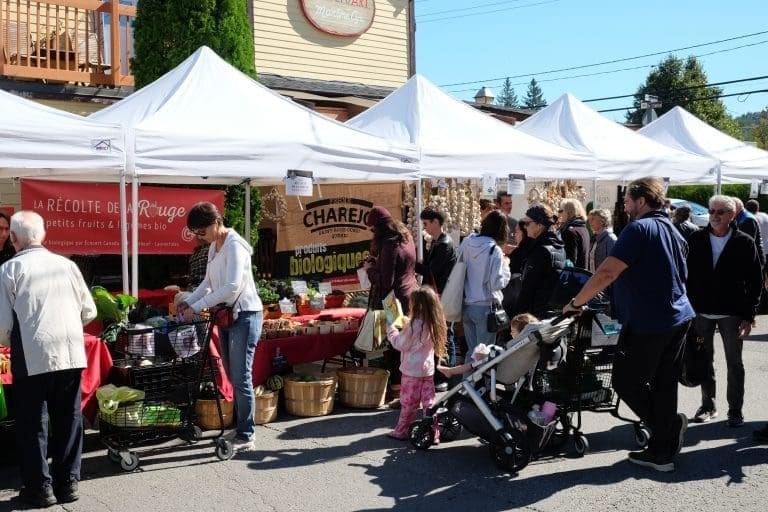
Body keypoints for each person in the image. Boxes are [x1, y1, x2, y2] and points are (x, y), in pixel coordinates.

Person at [563, 177, 694, 473]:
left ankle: (668, 430)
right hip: (677, 316)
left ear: (641, 201)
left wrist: (577, 302)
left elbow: (607, 271)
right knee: (663, 382)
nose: (625, 206)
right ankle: (662, 451)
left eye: (627, 201)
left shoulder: (639, 228)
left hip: (651, 320)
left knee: (626, 381)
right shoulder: (673, 229)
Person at [0, 211, 97, 507]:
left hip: (32, 353)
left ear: (14, 238)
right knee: (69, 418)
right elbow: (89, 311)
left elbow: (3, 326)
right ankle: (68, 483)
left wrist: (10, 342)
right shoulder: (67, 265)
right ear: (43, 235)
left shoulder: (9, 269)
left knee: (33, 422)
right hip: (69, 349)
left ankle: (40, 488)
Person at [178, 202, 263, 451]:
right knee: (232, 373)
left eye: (201, 232)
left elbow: (232, 287)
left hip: (245, 315)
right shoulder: (215, 247)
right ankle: (242, 427)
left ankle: (247, 435)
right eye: (196, 234)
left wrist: (198, 305)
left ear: (216, 222)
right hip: (227, 315)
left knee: (241, 376)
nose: (199, 238)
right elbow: (207, 282)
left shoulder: (235, 246)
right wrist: (187, 302)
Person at [686, 195, 762, 427]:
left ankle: (735, 411)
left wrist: (749, 316)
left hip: (732, 313)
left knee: (734, 363)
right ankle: (708, 405)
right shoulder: (696, 238)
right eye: (712, 211)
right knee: (703, 360)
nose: (715, 216)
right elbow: (685, 276)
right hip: (701, 312)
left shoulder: (744, 242)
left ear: (732, 215)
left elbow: (755, 281)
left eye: (720, 212)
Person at [363, 206, 418, 396]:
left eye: (372, 229)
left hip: (394, 302)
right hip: (411, 295)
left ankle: (397, 388)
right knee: (409, 341)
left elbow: (386, 282)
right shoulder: (406, 236)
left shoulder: (389, 244)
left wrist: (370, 268)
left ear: (378, 228)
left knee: (395, 344)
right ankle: (406, 387)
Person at [385, 286, 447, 440]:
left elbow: (400, 344)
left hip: (411, 371)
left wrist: (391, 329)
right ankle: (434, 433)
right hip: (427, 370)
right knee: (429, 404)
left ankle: (402, 431)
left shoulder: (414, 325)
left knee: (409, 403)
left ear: (416, 305)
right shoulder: (434, 322)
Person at [458, 210, 511, 360]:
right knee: (484, 355)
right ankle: (483, 384)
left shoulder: (467, 242)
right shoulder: (495, 250)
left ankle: (467, 383)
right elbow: (497, 283)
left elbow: (459, 268)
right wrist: (506, 267)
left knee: (471, 353)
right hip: (486, 308)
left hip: (467, 304)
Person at [438, 313, 539, 377]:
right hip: (506, 365)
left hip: (497, 367)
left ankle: (451, 371)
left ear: (521, 333)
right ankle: (451, 371)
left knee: (472, 363)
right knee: (476, 359)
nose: (510, 333)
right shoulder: (528, 346)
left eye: (513, 331)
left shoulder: (518, 345)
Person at [515, 205, 566, 318]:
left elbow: (529, 287)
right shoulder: (558, 246)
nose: (525, 227)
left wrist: (517, 314)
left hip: (537, 313)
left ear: (539, 225)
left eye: (527, 223)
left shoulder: (541, 250)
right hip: (551, 310)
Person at [416, 208, 456, 295]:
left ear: (435, 222)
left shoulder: (444, 244)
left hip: (440, 292)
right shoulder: (437, 240)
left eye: (425, 223)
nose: (424, 227)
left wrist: (411, 264)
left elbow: (431, 271)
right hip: (435, 290)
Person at [557, 199, 590, 269]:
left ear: (568, 212)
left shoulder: (570, 231)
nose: (559, 214)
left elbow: (570, 261)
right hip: (583, 274)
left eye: (561, 211)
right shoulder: (583, 228)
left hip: (573, 275)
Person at [733, 197, 765, 266]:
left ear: (736, 207)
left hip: (754, 259)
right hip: (755, 255)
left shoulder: (747, 219)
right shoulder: (742, 217)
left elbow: (747, 243)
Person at [587, 208, 617, 273]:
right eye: (589, 219)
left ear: (602, 220)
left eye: (593, 219)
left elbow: (613, 265)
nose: (590, 222)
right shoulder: (594, 238)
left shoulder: (610, 239)